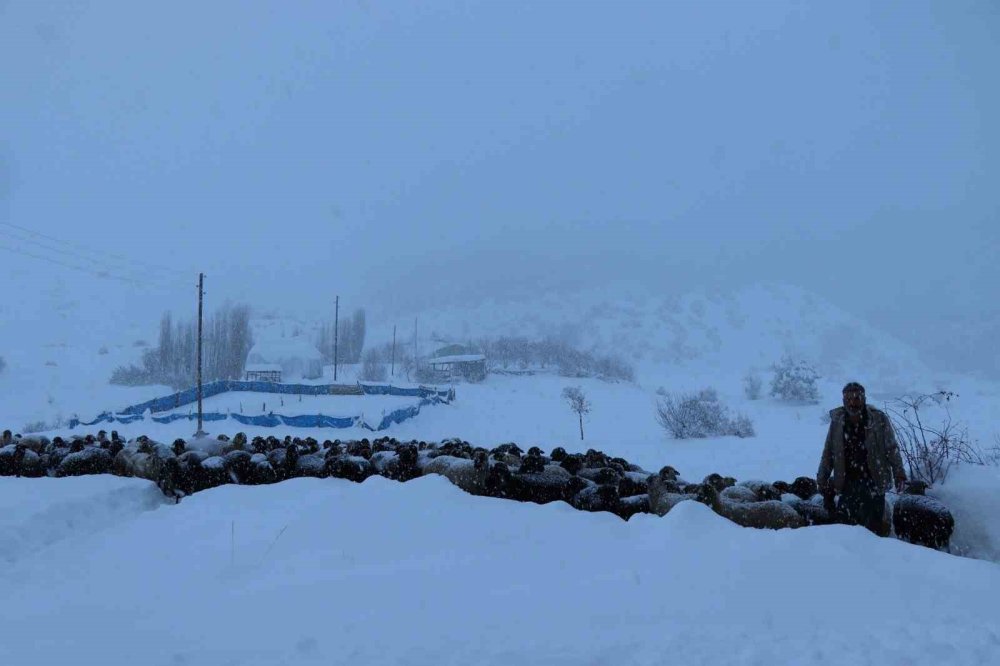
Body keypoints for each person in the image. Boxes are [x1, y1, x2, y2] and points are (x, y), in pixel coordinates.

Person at [817, 382, 907, 535]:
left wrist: (899, 473)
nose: (852, 402)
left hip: (874, 482)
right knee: (845, 529)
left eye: (856, 398)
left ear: (863, 398)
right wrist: (822, 477)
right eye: (848, 399)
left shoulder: (878, 419)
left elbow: (891, 448)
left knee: (873, 530)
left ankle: (873, 558)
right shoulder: (837, 422)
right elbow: (829, 452)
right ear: (843, 400)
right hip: (847, 484)